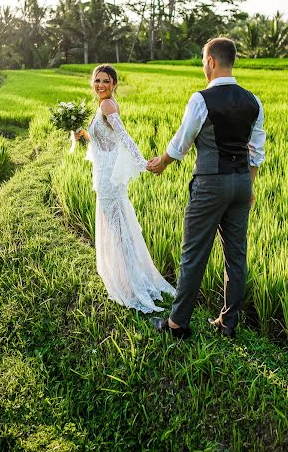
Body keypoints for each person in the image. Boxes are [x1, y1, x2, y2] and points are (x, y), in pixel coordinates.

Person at [147, 37, 266, 338]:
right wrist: (248, 186)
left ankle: (177, 323)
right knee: (236, 255)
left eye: (203, 61)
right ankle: (228, 324)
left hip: (211, 184)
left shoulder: (201, 99)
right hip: (241, 183)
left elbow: (181, 143)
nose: (203, 66)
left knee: (194, 253)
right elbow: (257, 150)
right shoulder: (253, 100)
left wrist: (161, 162)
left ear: (211, 62)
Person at [75, 64, 175, 313]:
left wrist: (144, 163)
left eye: (106, 81)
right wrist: (83, 135)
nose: (101, 85)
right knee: (118, 229)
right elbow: (103, 140)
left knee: (118, 231)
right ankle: (129, 277)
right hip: (104, 174)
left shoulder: (107, 105)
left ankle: (131, 284)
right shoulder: (102, 105)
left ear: (114, 84)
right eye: (97, 80)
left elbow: (123, 136)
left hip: (109, 179)